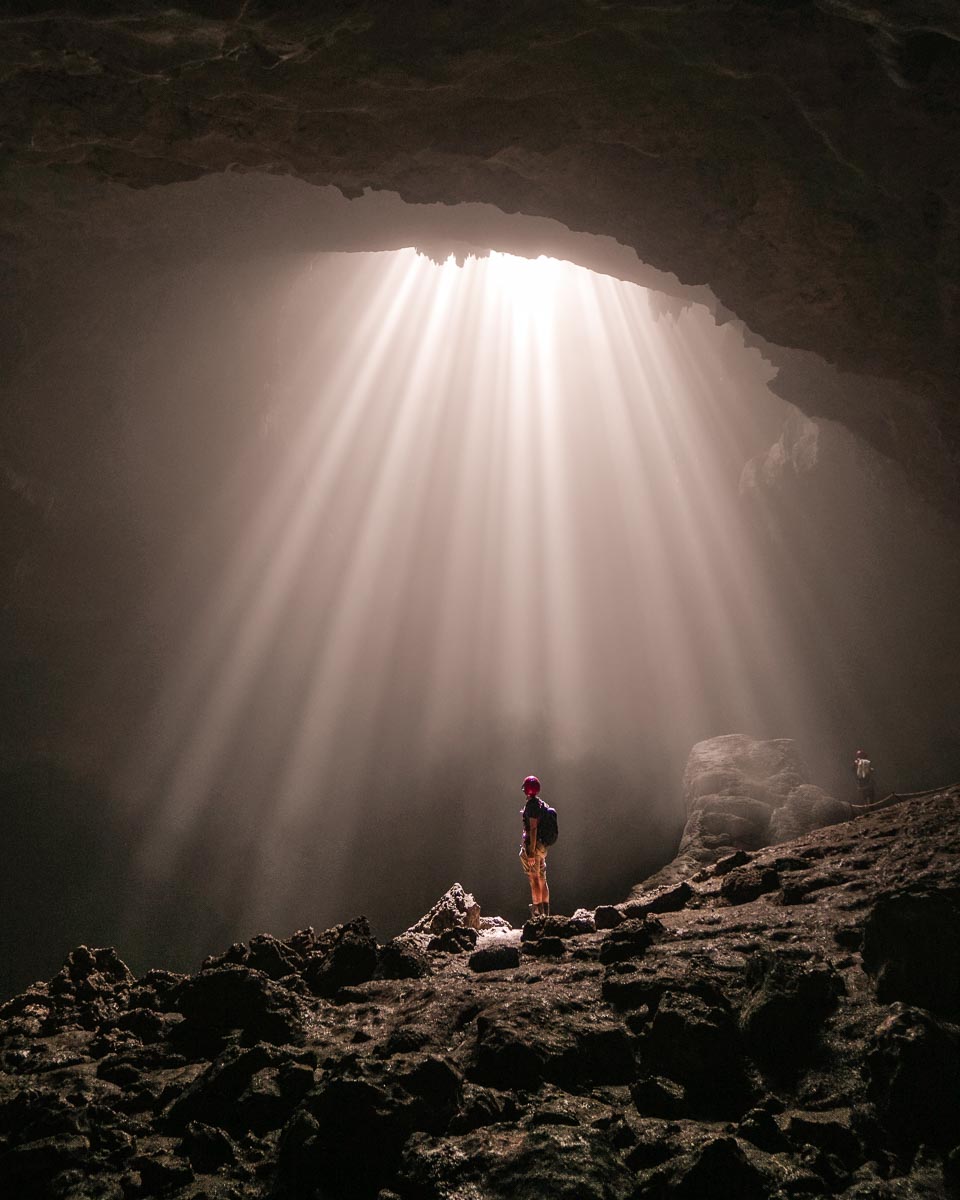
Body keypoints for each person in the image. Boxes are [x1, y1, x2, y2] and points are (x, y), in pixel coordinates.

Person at [520, 775, 550, 919]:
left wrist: (530, 852)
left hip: (534, 847)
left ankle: (538, 915)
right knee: (542, 879)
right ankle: (546, 913)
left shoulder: (532, 806)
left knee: (534, 879)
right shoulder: (541, 804)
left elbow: (533, 828)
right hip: (542, 847)